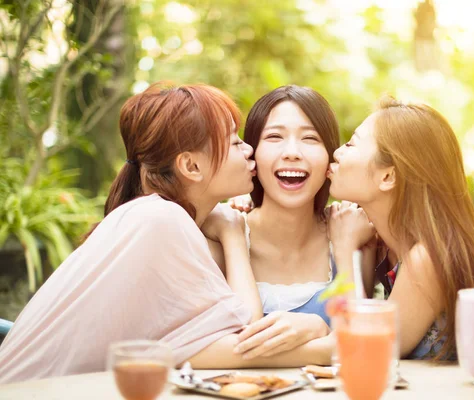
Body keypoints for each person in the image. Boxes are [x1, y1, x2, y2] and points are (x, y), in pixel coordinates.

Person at [0, 82, 331, 384]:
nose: (248, 151)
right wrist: (323, 337)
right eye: (234, 142)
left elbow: (205, 341)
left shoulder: (158, 217)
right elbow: (245, 331)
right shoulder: (160, 220)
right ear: (191, 166)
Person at [327, 96, 474, 363]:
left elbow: (364, 350)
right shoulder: (388, 247)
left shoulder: (426, 257)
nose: (337, 152)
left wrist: (343, 248)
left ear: (388, 176)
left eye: (351, 143)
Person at [213, 86, 370, 360]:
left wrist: (317, 328)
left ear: (330, 157)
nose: (292, 152)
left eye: (310, 138)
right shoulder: (217, 240)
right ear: (251, 154)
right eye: (274, 137)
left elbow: (364, 346)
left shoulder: (353, 238)